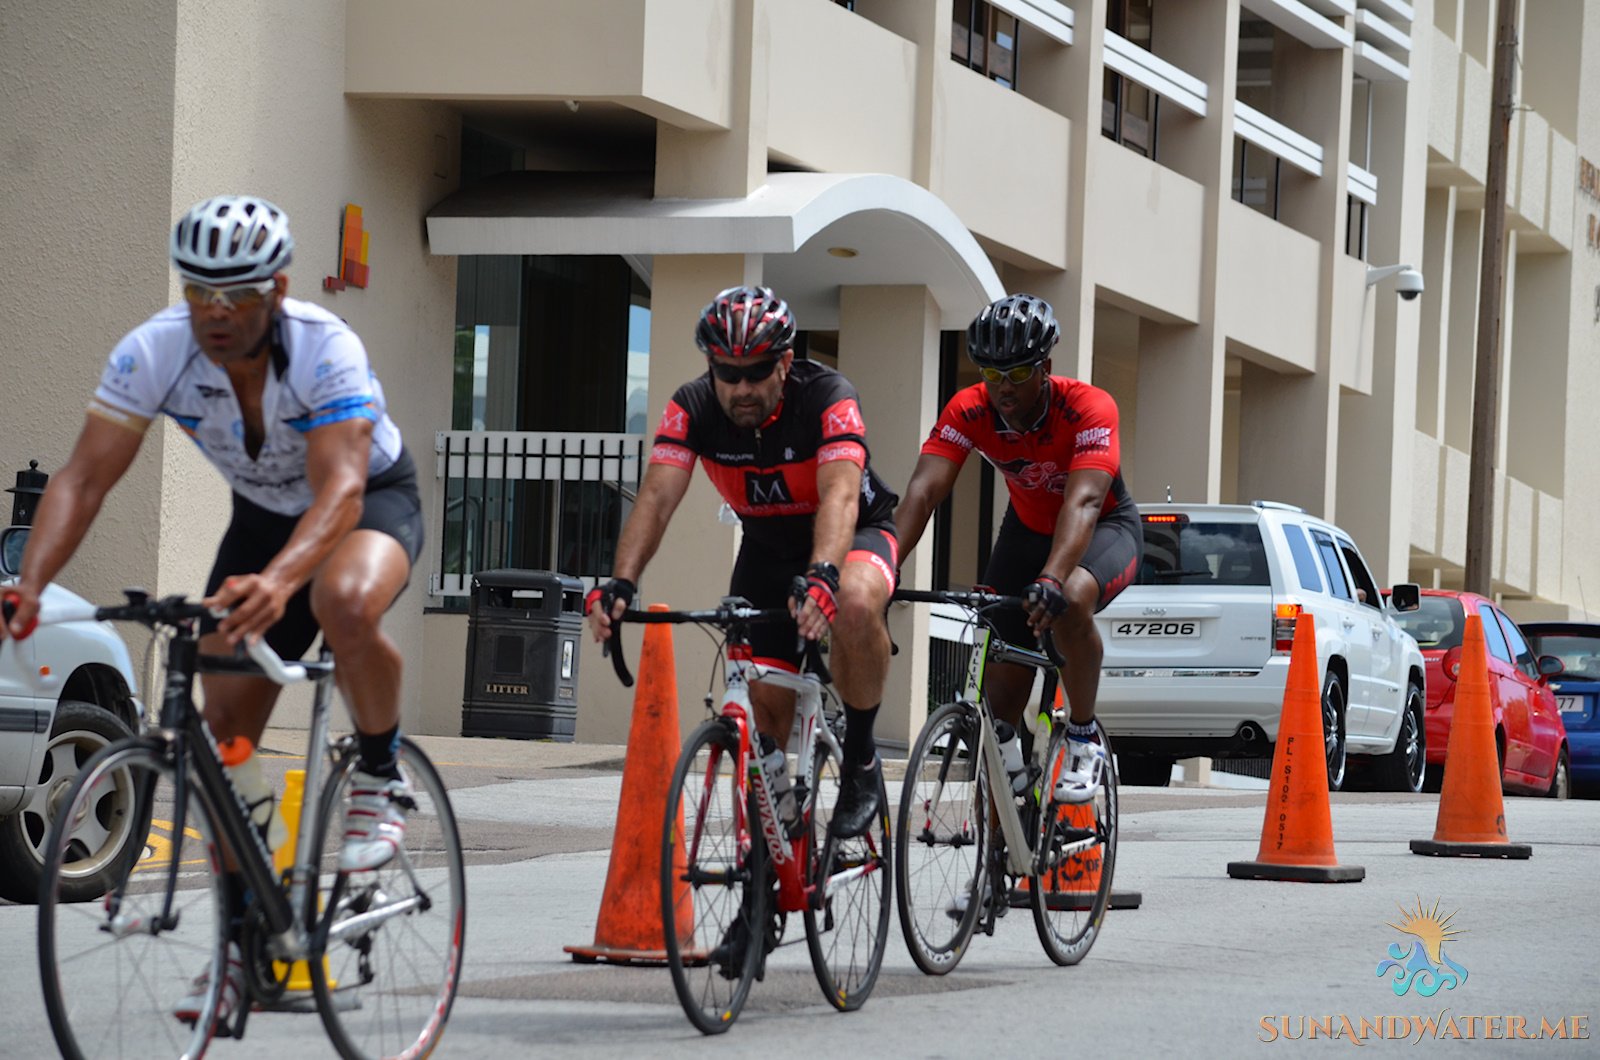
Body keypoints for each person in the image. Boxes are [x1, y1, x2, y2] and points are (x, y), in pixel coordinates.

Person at [2, 195, 424, 1027]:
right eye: (199, 292)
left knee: (341, 601)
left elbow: (341, 489)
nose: (215, 312)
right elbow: (83, 478)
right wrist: (34, 584)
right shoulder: (154, 351)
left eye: (236, 295)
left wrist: (281, 582)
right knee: (225, 741)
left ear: (279, 289)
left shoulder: (325, 347)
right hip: (263, 520)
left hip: (366, 503)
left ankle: (381, 771)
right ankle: (250, 940)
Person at [586, 285, 897, 840]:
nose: (742, 388)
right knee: (764, 723)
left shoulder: (827, 395)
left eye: (756, 372)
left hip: (853, 535)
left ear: (785, 363)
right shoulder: (693, 406)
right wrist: (621, 583)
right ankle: (772, 868)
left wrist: (824, 574)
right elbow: (656, 499)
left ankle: (860, 760)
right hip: (767, 551)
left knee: (853, 601)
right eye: (728, 374)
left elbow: (840, 496)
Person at [894, 293, 1140, 807]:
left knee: (1070, 598)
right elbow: (924, 490)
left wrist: (1051, 578)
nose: (1004, 386)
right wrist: (882, 565)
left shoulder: (1088, 407)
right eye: (992, 373)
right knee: (1000, 705)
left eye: (1019, 373)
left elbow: (1084, 501)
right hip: (1024, 531)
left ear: (1045, 367)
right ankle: (1003, 834)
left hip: (1102, 527)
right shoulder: (971, 408)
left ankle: (1083, 735)